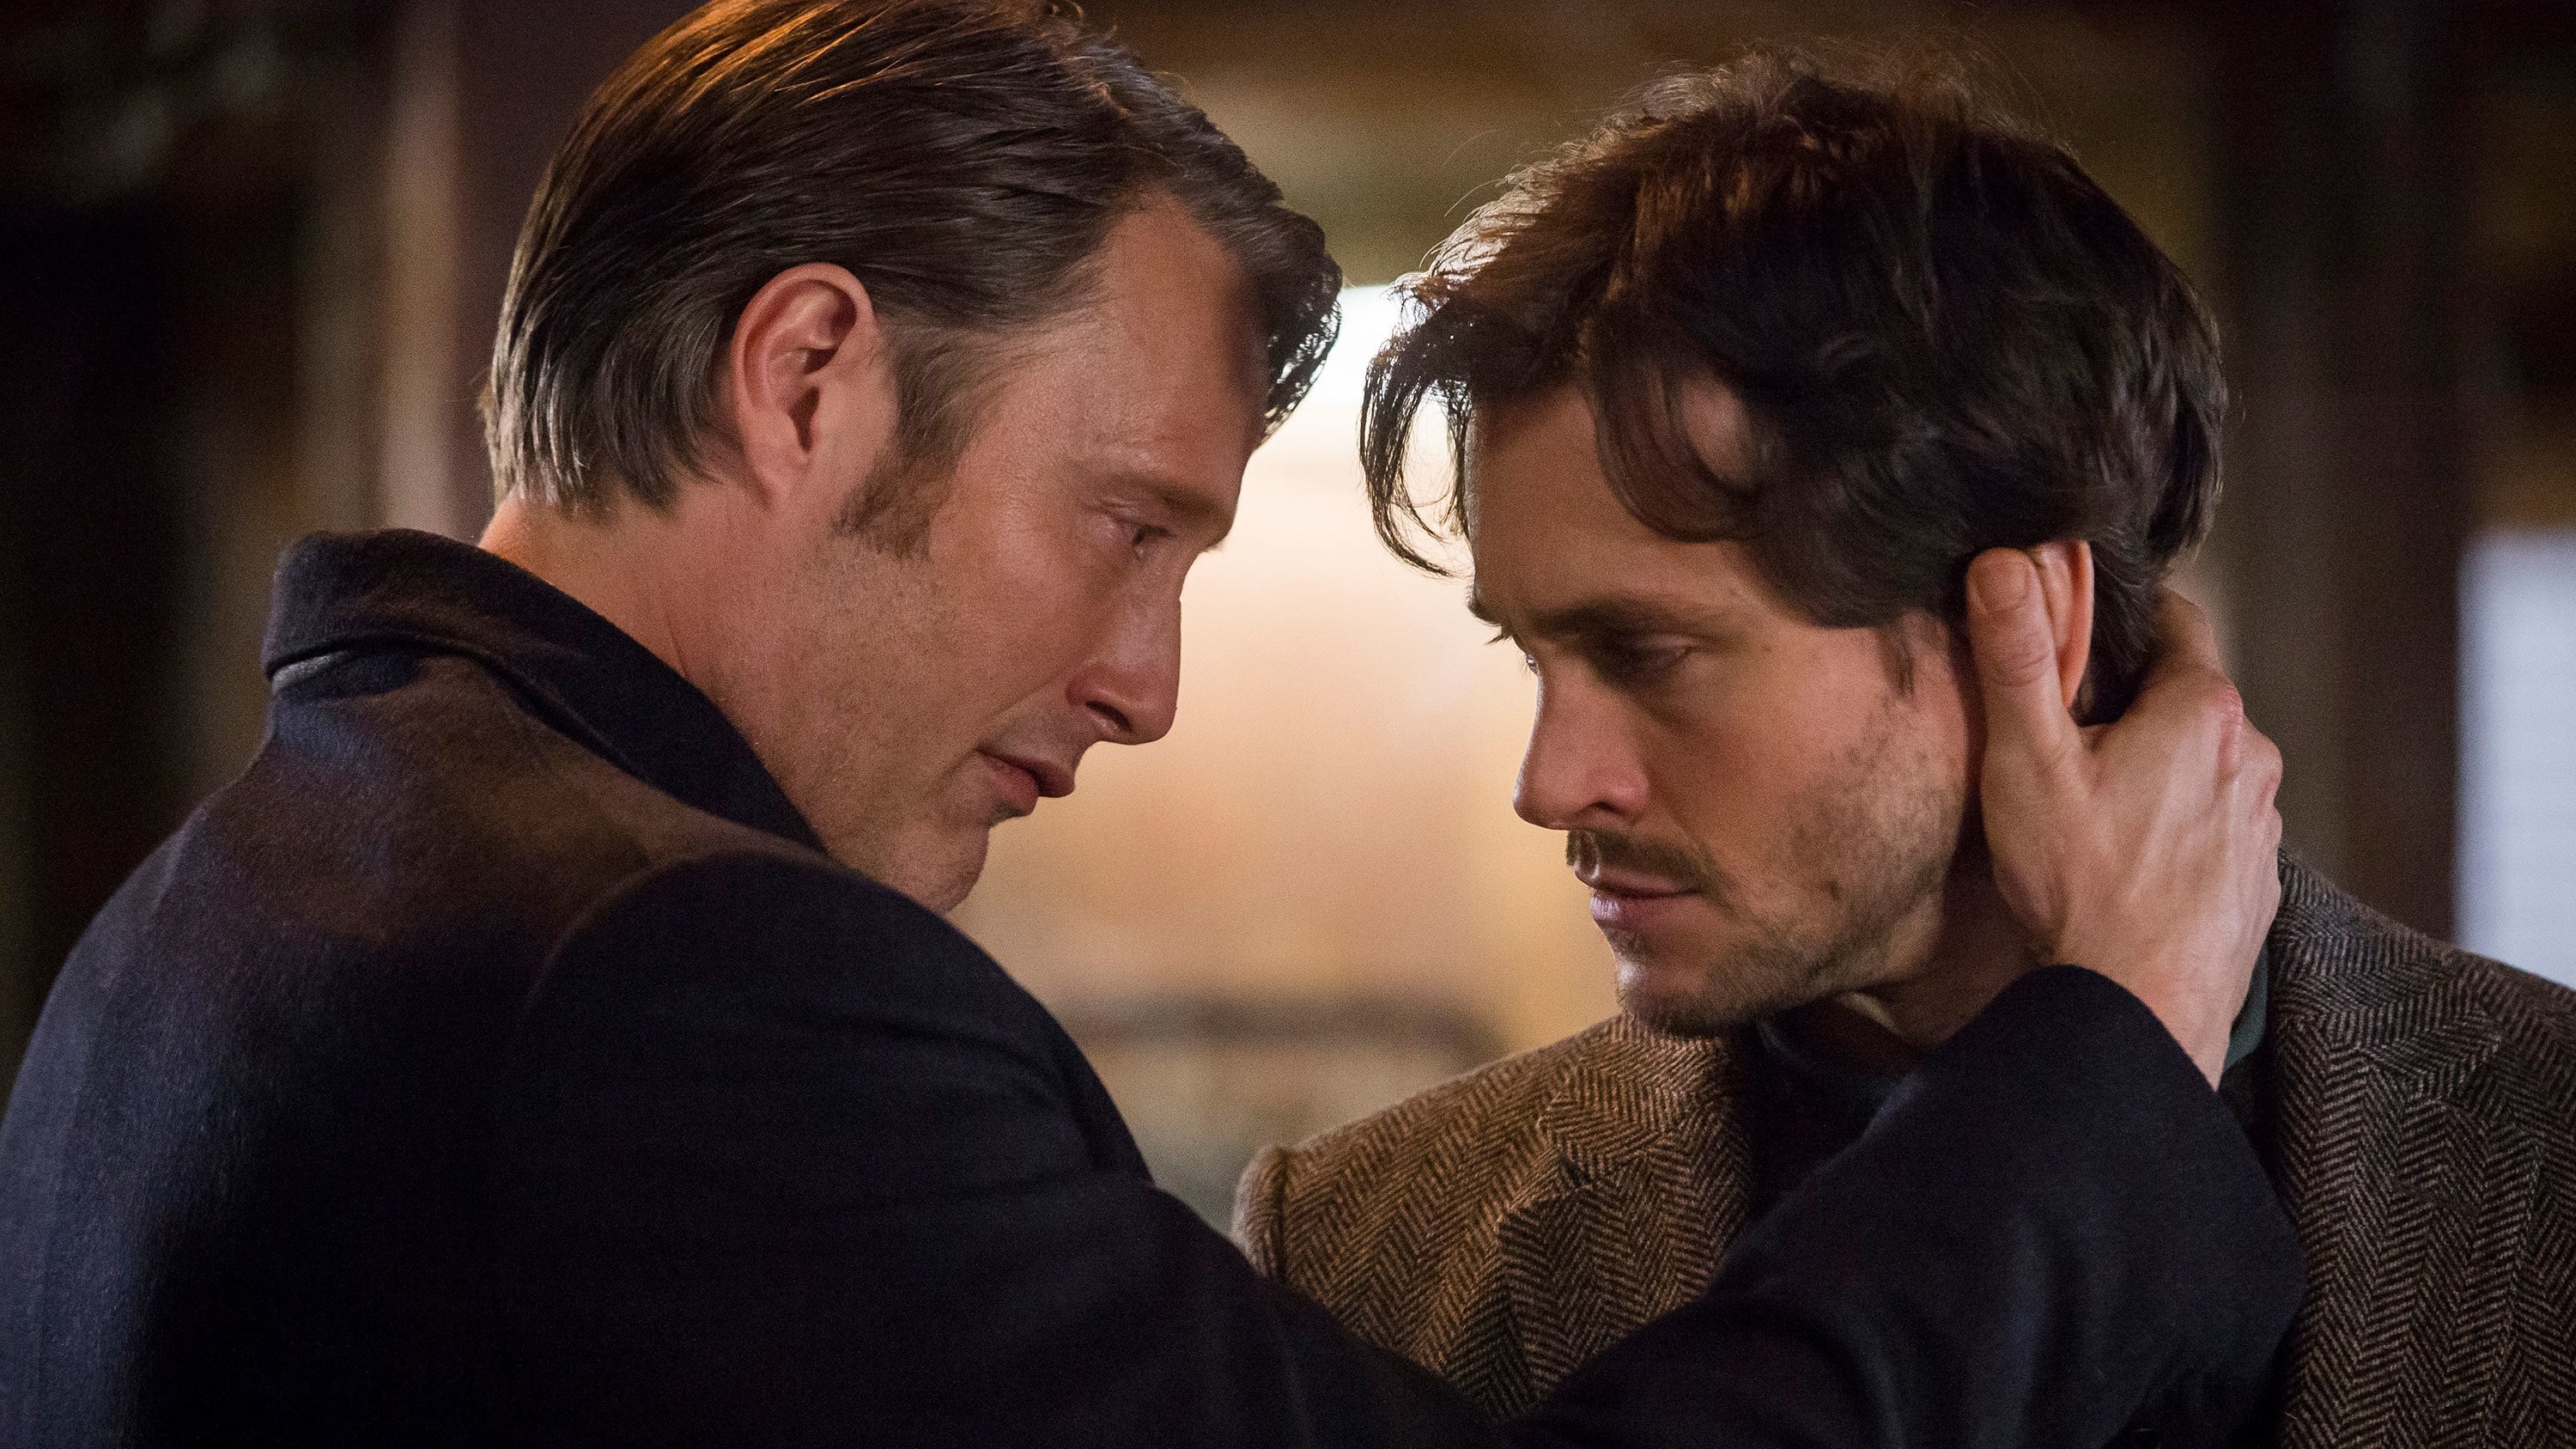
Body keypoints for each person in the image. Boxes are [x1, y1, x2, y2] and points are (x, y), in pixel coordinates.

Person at [0, 6, 2298, 1446]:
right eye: (1123, 526)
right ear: (808, 378)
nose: (1146, 684)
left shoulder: (231, 896)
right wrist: (2104, 1061)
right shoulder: (675, 986)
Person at [1235, 50, 2576, 1449]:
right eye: (1532, 655)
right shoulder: (1366, 1252)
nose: (1549, 783)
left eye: (1648, 653)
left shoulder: (2543, 1149)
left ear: (2033, 624)